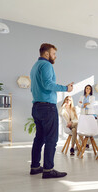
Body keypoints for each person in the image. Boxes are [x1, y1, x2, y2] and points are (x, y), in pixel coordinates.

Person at [30, 43, 73, 179]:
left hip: (37, 106)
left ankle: (35, 167)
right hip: (47, 107)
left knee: (39, 138)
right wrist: (66, 88)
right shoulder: (47, 65)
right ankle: (48, 170)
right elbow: (48, 85)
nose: (55, 56)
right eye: (53, 54)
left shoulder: (35, 66)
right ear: (47, 54)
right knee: (51, 139)